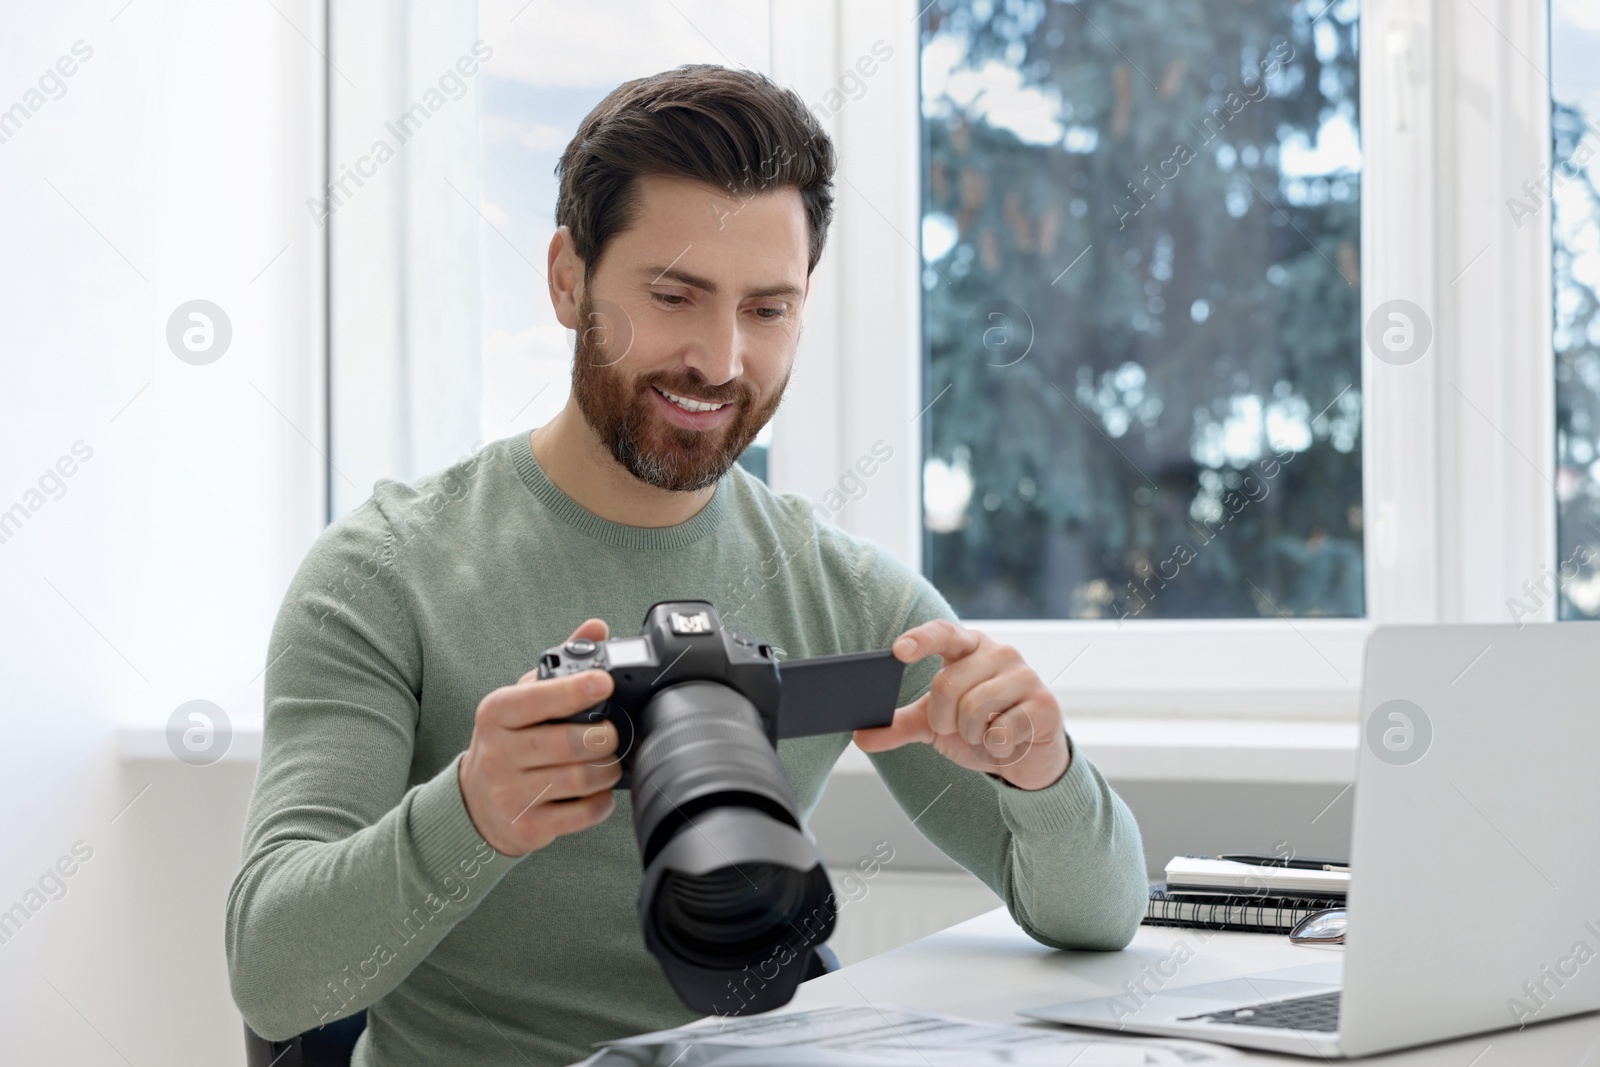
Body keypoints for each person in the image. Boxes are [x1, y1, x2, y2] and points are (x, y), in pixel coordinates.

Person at [226, 63, 1146, 1067]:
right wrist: (474, 811)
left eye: (768, 309)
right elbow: (274, 974)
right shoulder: (389, 571)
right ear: (568, 278)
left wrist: (1038, 766)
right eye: (675, 294)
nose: (719, 359)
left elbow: (1097, 917)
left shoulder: (844, 591)